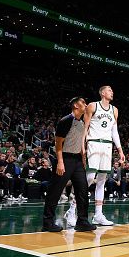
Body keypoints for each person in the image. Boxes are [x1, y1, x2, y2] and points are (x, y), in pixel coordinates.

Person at [65, 86, 125, 227]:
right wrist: (82, 145)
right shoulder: (92, 106)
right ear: (102, 93)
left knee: (102, 180)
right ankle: (71, 210)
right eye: (110, 90)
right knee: (89, 178)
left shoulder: (114, 110)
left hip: (107, 145)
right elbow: (84, 127)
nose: (112, 92)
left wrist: (120, 150)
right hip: (93, 143)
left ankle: (98, 215)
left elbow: (114, 131)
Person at [42, 97, 96, 232]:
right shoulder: (66, 120)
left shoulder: (83, 121)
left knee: (83, 190)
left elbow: (81, 141)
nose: (85, 104)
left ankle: (82, 221)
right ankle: (48, 222)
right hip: (64, 158)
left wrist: (83, 159)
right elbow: (58, 143)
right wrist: (60, 162)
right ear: (75, 105)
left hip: (77, 160)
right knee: (55, 191)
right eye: (83, 102)